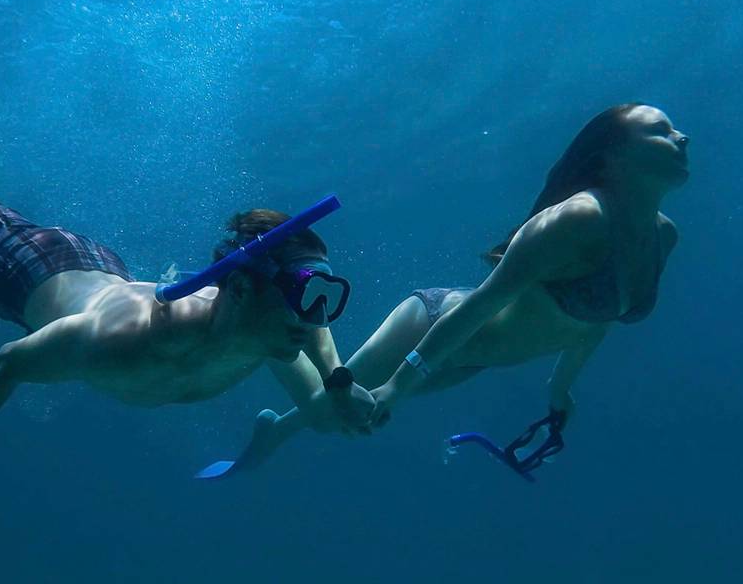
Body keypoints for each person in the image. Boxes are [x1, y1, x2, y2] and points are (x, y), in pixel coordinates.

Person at [0, 67, 372, 491]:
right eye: (302, 297)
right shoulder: (121, 341)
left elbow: (314, 327)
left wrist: (338, 381)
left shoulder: (272, 328)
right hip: (36, 269)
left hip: (109, 277)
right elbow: (7, 366)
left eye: (321, 296)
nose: (315, 315)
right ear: (240, 290)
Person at [207, 104, 688, 475]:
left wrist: (561, 389)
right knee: (336, 411)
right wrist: (400, 384)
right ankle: (265, 356)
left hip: (472, 357)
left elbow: (596, 322)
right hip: (435, 327)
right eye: (661, 131)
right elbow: (484, 303)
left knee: (336, 417)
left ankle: (276, 428)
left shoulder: (661, 236)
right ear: (612, 156)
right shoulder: (580, 219)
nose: (682, 137)